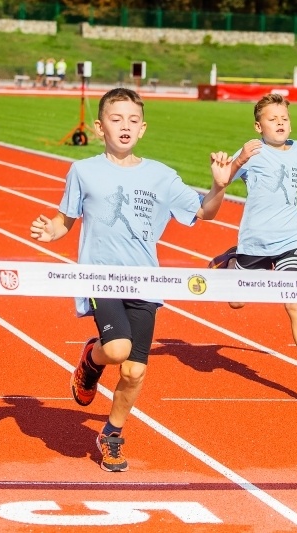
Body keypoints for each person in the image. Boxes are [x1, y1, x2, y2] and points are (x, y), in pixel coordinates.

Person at [29, 88, 233, 472]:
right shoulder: (83, 171)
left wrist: (219, 187)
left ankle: (111, 434)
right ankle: (91, 360)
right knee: (118, 349)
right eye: (116, 119)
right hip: (99, 276)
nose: (125, 126)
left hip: (145, 282)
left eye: (133, 120)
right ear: (99, 126)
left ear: (143, 129)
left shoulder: (161, 176)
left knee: (134, 371)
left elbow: (205, 212)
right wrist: (49, 230)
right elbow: (65, 221)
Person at [208, 93, 297, 394]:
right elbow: (225, 178)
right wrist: (234, 160)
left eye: (284, 119)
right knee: (236, 302)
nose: (279, 123)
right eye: (272, 119)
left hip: (290, 240)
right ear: (258, 125)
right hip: (254, 241)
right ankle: (234, 259)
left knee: (294, 300)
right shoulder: (252, 151)